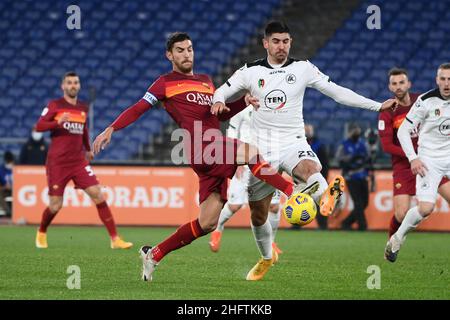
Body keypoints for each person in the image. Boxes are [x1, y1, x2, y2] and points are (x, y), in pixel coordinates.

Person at [92, 32, 299, 282]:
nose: (186, 54)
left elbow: (218, 116)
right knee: (252, 152)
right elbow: (139, 108)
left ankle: (154, 254)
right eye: (180, 50)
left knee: (207, 222)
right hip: (201, 147)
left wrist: (242, 102)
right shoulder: (164, 83)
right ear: (170, 55)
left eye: (189, 49)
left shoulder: (206, 81)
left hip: (215, 153)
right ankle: (292, 190)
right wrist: (112, 127)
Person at [211, 21, 396, 280]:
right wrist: (219, 101)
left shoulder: (303, 68)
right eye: (276, 41)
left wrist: (376, 106)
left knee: (309, 167)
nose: (281, 46)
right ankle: (266, 257)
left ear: (290, 43)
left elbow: (337, 92)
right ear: (265, 43)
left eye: (285, 41)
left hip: (293, 141)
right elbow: (221, 91)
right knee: (258, 214)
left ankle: (324, 194)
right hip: (261, 150)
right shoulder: (250, 71)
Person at [34, 71, 133, 250]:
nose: (73, 85)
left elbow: (84, 130)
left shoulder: (82, 108)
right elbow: (39, 126)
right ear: (63, 86)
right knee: (55, 206)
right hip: (58, 162)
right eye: (69, 83)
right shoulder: (55, 105)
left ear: (79, 86)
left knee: (98, 194)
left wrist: (88, 150)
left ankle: (115, 239)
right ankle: (41, 232)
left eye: (76, 82)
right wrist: (57, 123)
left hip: (78, 161)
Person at [385, 63, 450, 262]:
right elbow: (403, 131)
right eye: (443, 79)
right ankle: (397, 238)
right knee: (425, 208)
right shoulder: (425, 101)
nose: (447, 83)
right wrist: (413, 158)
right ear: (436, 80)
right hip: (429, 160)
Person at [208, 106, 283, 257]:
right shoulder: (241, 109)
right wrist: (234, 160)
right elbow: (232, 134)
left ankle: (271, 242)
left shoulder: (272, 107)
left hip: (267, 162)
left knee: (274, 206)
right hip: (244, 160)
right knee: (235, 205)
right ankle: (217, 229)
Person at [335, 122, 370, 231]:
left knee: (364, 202)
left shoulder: (363, 144)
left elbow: (368, 158)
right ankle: (362, 226)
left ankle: (346, 222)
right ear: (349, 132)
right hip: (351, 176)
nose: (356, 132)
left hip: (362, 175)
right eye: (354, 131)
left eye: (357, 130)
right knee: (358, 202)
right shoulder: (344, 144)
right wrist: (351, 159)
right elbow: (339, 159)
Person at [305, 123, 329, 230]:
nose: (307, 133)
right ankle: (296, 223)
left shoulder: (319, 145)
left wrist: (324, 177)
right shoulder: (301, 144)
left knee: (320, 201)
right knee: (301, 200)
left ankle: (323, 225)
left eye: (308, 131)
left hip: (317, 177)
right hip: (302, 178)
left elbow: (325, 163)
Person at [0, 151, 14, 217]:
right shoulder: (2, 169)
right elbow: (2, 180)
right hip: (6, 189)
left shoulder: (17, 168)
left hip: (17, 189)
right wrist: (5, 185)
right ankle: (9, 212)